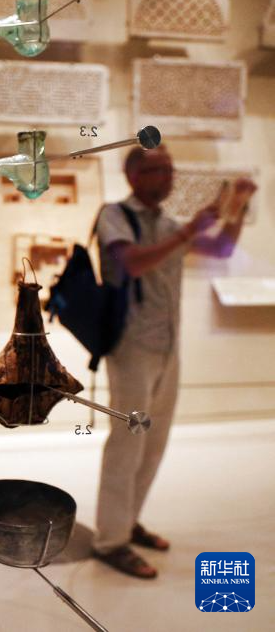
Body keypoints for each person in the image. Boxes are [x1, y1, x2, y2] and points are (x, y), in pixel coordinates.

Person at [91, 146, 256, 579]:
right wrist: (186, 234)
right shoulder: (114, 216)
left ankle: (127, 522)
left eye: (169, 169)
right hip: (131, 348)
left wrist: (238, 207)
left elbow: (221, 248)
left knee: (154, 442)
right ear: (133, 175)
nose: (167, 176)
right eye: (157, 170)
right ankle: (110, 541)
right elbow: (131, 263)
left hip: (167, 346)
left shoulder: (166, 225)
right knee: (127, 444)